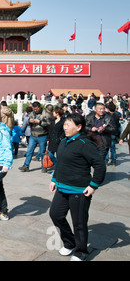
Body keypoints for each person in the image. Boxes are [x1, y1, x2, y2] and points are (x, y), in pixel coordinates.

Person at [49, 113, 106, 261]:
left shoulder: (85, 144)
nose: (65, 127)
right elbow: (60, 163)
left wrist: (93, 185)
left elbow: (99, 165)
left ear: (79, 127)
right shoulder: (64, 142)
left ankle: (81, 251)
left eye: (68, 125)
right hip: (62, 187)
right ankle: (69, 242)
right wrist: (54, 179)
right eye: (65, 124)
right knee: (55, 214)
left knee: (79, 223)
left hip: (79, 190)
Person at [19, 101, 51, 173]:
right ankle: (26, 166)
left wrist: (39, 122)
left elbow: (49, 124)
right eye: (34, 109)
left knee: (42, 152)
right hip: (33, 135)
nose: (35, 110)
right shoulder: (32, 113)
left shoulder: (46, 114)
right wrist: (29, 121)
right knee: (29, 151)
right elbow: (27, 122)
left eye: (36, 109)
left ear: (39, 107)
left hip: (42, 135)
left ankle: (44, 166)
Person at [46, 106, 65, 171]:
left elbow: (64, 132)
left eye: (54, 112)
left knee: (59, 156)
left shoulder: (63, 121)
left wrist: (60, 138)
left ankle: (57, 169)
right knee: (50, 155)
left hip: (59, 141)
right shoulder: (53, 121)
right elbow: (50, 130)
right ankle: (56, 165)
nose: (53, 113)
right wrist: (48, 139)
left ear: (57, 113)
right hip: (52, 140)